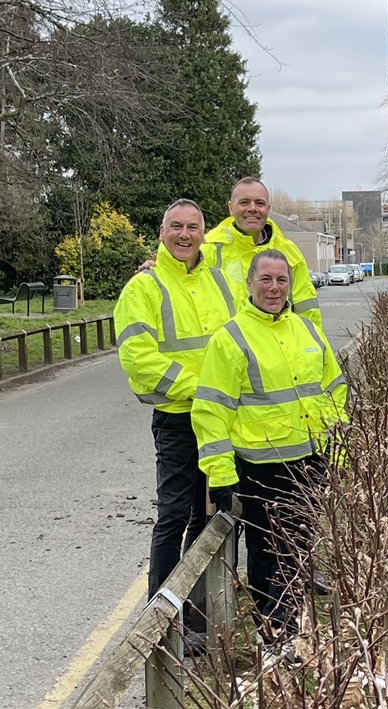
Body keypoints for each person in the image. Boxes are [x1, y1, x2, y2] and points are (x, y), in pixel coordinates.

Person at [191, 249, 347, 635]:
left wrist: (337, 452)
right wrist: (221, 474)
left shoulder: (308, 331)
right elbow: (212, 411)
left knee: (301, 545)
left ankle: (296, 624)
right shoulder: (231, 339)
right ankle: (273, 631)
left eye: (281, 280)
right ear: (250, 284)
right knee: (266, 551)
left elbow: (334, 391)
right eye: (266, 279)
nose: (274, 288)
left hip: (310, 462)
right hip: (261, 467)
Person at [114, 199, 240, 603]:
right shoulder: (143, 287)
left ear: (204, 234)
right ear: (162, 232)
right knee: (173, 516)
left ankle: (201, 613)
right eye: (176, 227)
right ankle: (162, 616)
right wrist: (202, 388)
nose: (185, 234)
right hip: (178, 419)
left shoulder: (221, 282)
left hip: (221, 422)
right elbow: (139, 358)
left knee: (214, 516)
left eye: (192, 227)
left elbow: (244, 337)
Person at [204, 176, 321, 327]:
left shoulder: (289, 252)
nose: (252, 208)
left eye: (259, 203)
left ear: (268, 208)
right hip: (227, 347)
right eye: (244, 202)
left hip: (278, 347)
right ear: (231, 208)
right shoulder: (209, 251)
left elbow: (307, 310)